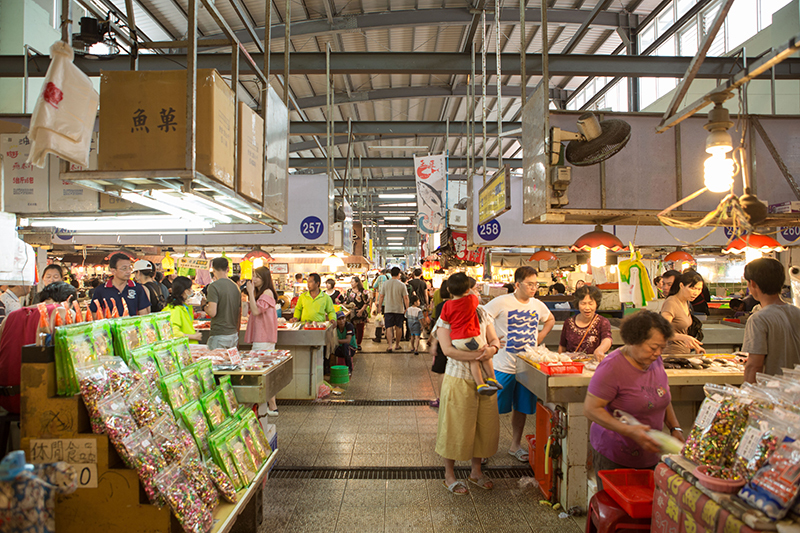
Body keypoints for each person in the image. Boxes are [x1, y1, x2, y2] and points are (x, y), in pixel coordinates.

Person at [584, 310, 683, 489]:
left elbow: (662, 395)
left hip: (650, 453)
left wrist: (675, 428)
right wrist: (630, 431)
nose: (658, 353)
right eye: (653, 348)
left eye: (662, 347)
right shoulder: (612, 367)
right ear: (633, 340)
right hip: (616, 455)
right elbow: (591, 409)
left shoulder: (655, 360)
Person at [484, 266, 555, 462]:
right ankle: (485, 448)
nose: (534, 288)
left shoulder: (538, 305)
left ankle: (515, 445)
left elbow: (550, 319)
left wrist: (540, 336)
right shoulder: (501, 302)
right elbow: (482, 318)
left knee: (522, 408)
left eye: (536, 284)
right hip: (502, 366)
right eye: (530, 284)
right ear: (517, 284)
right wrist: (493, 339)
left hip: (527, 367)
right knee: (492, 409)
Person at [435, 305, 502, 494]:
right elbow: (447, 350)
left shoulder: (482, 311)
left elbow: (494, 338)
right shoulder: (447, 314)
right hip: (458, 378)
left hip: (485, 380)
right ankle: (449, 476)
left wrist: (494, 348)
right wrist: (480, 354)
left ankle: (476, 472)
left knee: (483, 427)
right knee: (454, 426)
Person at [0, 282, 77, 415]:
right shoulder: (64, 312)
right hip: (39, 396)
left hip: (4, 397)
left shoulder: (10, 317)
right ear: (69, 299)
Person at [440, 272, 503, 395]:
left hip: (458, 340)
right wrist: (489, 351)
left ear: (449, 289)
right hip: (470, 343)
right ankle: (492, 379)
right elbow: (447, 351)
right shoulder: (471, 302)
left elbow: (444, 319)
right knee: (483, 353)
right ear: (469, 290)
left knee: (476, 358)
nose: (477, 293)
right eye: (476, 290)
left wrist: (494, 348)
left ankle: (481, 384)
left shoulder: (447, 305)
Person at [742, 258, 800, 382]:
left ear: (752, 283)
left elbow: (754, 366)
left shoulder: (758, 319)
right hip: (795, 393)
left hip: (773, 393)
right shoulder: (797, 312)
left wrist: (746, 396)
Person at [245, 266, 279, 416]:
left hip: (263, 338)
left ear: (265, 278)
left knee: (259, 372)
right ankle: (270, 406)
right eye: (254, 275)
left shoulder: (267, 292)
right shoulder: (264, 293)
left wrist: (250, 293)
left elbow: (257, 311)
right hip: (263, 338)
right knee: (263, 371)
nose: (254, 279)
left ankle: (270, 405)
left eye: (257, 276)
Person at [558, 285, 613, 360]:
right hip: (572, 366)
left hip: (594, 366)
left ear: (596, 304)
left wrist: (601, 349)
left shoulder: (602, 322)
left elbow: (607, 339)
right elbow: (562, 346)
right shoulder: (568, 323)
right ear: (578, 304)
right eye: (583, 303)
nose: (587, 308)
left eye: (590, 304)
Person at [661, 270, 705, 354]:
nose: (696, 293)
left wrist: (696, 346)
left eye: (699, 289)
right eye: (692, 288)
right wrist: (684, 337)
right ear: (681, 285)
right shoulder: (671, 302)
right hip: (670, 354)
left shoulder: (686, 302)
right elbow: (662, 331)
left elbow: (682, 331)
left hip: (683, 353)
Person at [202, 257, 242, 350]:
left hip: (219, 335)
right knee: (229, 363)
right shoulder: (235, 286)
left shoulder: (213, 286)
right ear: (228, 269)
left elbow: (212, 312)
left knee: (216, 363)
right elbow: (239, 312)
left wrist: (204, 305)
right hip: (233, 335)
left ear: (213, 269)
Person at [376, 267, 409, 352]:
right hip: (399, 309)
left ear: (390, 274)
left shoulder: (385, 284)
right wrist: (407, 308)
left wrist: (379, 307)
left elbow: (381, 296)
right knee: (399, 327)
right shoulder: (402, 285)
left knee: (388, 327)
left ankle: (390, 346)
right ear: (399, 274)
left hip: (388, 309)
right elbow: (406, 298)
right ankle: (397, 345)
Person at [165, 276, 202, 343]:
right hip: (183, 347)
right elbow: (173, 332)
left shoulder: (183, 307)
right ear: (185, 291)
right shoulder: (175, 309)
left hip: (189, 346)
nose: (191, 290)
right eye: (190, 288)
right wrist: (193, 336)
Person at [345, 276, 369, 350]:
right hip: (350, 313)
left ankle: (358, 344)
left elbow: (367, 302)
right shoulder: (349, 291)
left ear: (357, 282)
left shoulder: (363, 291)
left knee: (360, 329)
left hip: (360, 312)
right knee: (351, 328)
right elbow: (346, 301)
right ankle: (352, 343)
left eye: (353, 282)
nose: (351, 283)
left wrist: (361, 310)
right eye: (351, 282)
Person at [332, 310, 357, 376]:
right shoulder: (335, 328)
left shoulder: (349, 326)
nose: (341, 321)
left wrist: (335, 341)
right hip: (340, 348)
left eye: (343, 318)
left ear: (345, 319)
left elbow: (348, 340)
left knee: (345, 346)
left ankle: (349, 369)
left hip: (351, 348)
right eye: (339, 319)